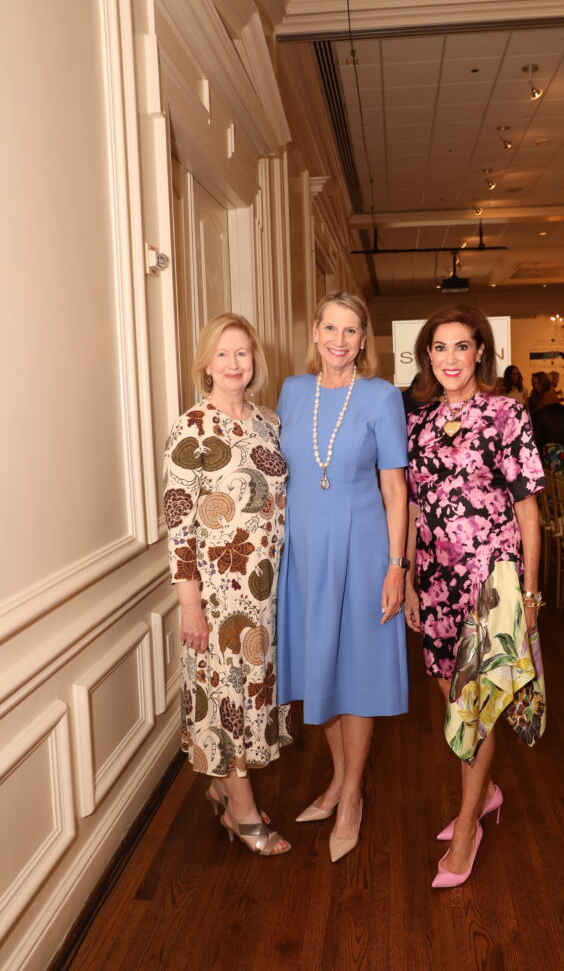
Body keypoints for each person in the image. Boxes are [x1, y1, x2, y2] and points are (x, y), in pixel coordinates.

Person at [404, 305, 546, 889]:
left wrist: (530, 593)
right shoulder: (417, 423)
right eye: (440, 348)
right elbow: (414, 508)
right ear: (427, 356)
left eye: (461, 346)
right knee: (451, 699)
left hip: (493, 582)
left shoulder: (506, 413)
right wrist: (409, 579)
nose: (451, 358)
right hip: (436, 579)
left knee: (476, 706)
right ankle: (485, 792)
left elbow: (528, 510)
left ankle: (467, 828)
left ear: (480, 351)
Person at [276, 291, 409, 862]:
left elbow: (395, 489)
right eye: (330, 328)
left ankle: (351, 795)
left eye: (351, 330)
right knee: (320, 668)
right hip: (305, 551)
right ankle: (336, 778)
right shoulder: (291, 391)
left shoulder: (381, 396)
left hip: (363, 548)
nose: (339, 339)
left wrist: (397, 567)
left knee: (357, 671)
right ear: (314, 331)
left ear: (363, 340)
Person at [163, 314, 292, 856]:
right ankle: (243, 814)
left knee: (250, 692)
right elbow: (178, 523)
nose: (234, 363)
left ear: (254, 360)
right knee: (227, 696)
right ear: (206, 364)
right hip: (218, 595)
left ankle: (222, 786)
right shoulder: (191, 427)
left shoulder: (269, 422)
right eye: (223, 354)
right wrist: (189, 604)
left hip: (266, 590)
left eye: (242, 353)